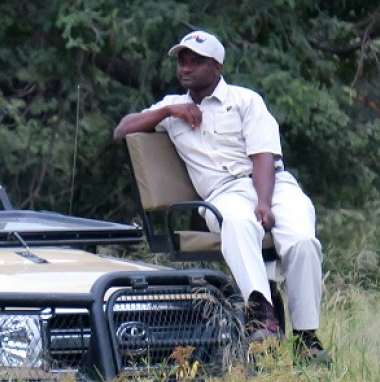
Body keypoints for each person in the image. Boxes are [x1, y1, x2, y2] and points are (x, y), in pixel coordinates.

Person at [112, 30, 326, 359]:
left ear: (216, 68)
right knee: (236, 223)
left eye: (195, 62)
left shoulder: (244, 101)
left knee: (302, 241)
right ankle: (261, 314)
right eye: (182, 62)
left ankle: (306, 337)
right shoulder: (172, 107)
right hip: (222, 193)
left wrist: (265, 203)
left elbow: (263, 157)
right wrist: (169, 114)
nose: (185, 68)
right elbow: (122, 130)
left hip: (271, 185)